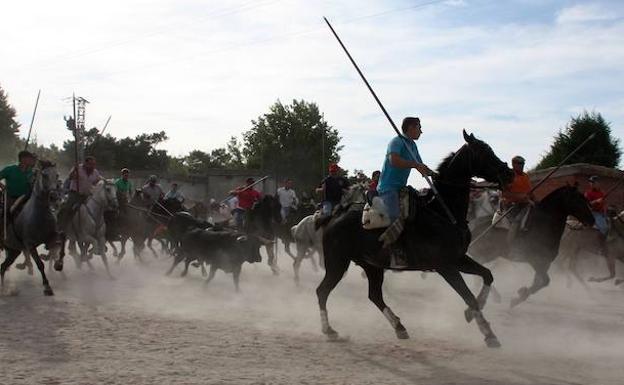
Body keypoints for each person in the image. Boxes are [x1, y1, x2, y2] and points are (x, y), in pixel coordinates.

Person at [377, 117, 433, 223]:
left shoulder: (412, 145)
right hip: (388, 188)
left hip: (401, 188)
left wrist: (436, 175)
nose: (421, 131)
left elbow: (421, 166)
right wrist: (415, 165)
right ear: (411, 128)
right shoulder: (396, 141)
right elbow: (394, 161)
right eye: (419, 128)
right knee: (395, 218)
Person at [57, 155, 103, 230]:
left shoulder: (95, 172)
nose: (92, 166)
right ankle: (61, 227)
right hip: (75, 194)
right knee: (67, 208)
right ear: (85, 164)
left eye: (94, 164)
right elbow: (70, 177)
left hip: (87, 195)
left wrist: (107, 182)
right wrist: (74, 170)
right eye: (91, 164)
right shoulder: (78, 168)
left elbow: (99, 180)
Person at [498, 155, 533, 234]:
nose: (522, 165)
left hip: (526, 203)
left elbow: (531, 192)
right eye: (520, 163)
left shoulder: (526, 176)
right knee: (518, 222)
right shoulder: (508, 176)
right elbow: (505, 193)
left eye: (523, 163)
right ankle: (513, 239)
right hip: (512, 206)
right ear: (513, 164)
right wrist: (520, 196)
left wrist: (536, 200)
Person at [0, 151, 37, 217]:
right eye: (30, 158)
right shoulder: (10, 169)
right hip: (11, 198)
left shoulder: (32, 173)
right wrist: (2, 185)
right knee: (7, 214)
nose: (32, 161)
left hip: (26, 200)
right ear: (23, 159)